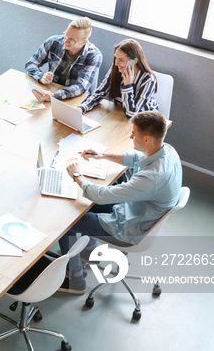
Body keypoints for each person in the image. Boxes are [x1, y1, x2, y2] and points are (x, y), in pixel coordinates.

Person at [58, 111, 182, 294]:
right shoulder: (166, 150)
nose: (131, 136)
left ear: (147, 139)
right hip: (136, 210)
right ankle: (89, 250)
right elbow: (135, 158)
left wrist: (77, 175)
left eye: (134, 133)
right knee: (84, 204)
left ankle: (74, 279)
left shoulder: (152, 178)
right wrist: (102, 155)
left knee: (65, 224)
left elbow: (100, 195)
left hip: (130, 226)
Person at [26, 17, 103, 102]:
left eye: (72, 40)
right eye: (66, 35)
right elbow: (31, 63)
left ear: (84, 42)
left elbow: (80, 87)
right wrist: (41, 77)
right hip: (51, 90)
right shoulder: (53, 42)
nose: (65, 41)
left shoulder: (94, 56)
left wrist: (54, 95)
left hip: (74, 98)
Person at [77, 39, 159, 118]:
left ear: (134, 61)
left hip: (145, 121)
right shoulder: (116, 69)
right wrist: (82, 108)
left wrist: (128, 85)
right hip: (121, 114)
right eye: (116, 58)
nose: (116, 63)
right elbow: (100, 93)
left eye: (121, 60)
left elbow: (131, 113)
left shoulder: (148, 79)